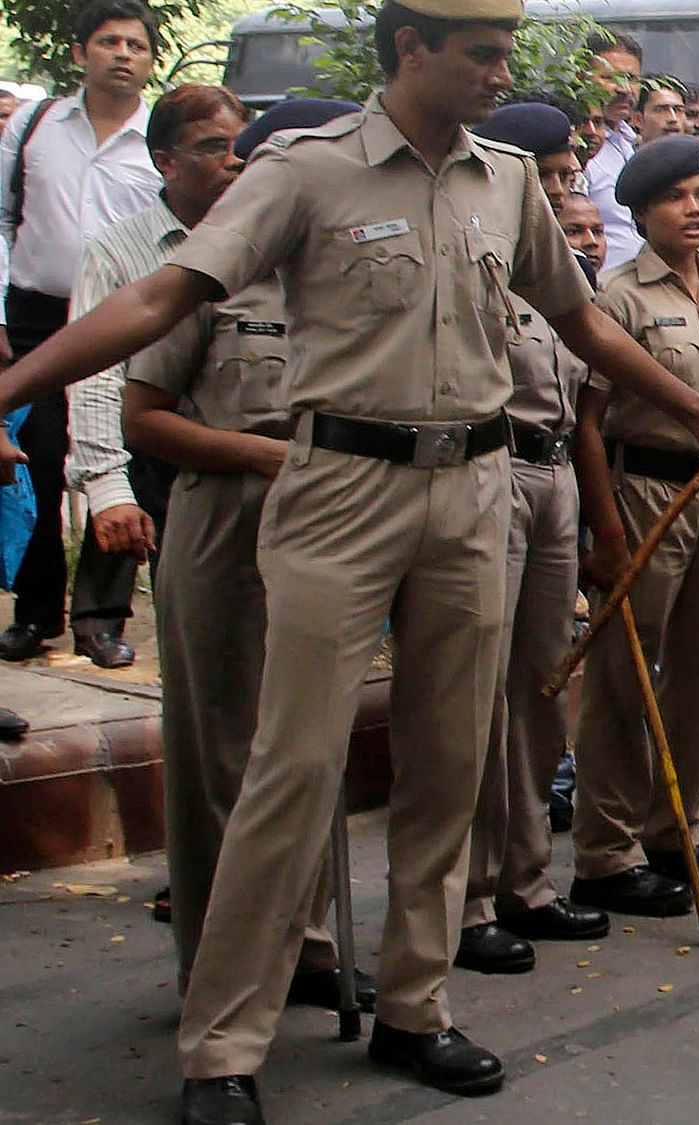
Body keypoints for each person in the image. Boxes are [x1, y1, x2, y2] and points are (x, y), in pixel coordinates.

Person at [0, 1, 699, 1117]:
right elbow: (167, 293)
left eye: (503, 55)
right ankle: (223, 1046)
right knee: (291, 765)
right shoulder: (307, 171)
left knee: (450, 757)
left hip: (473, 487)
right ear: (410, 50)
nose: (498, 76)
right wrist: (14, 386)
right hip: (336, 486)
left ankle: (416, 1005)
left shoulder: (504, 178)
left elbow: (580, 324)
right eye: (480, 56)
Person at [122, 92, 360, 1003]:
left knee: (307, 746)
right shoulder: (209, 277)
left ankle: (304, 945)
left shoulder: (346, 283)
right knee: (222, 750)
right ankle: (219, 967)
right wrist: (272, 453)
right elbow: (146, 420)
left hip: (329, 525)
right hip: (225, 523)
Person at [569, 134, 699, 918]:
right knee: (626, 673)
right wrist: (606, 527)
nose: (692, 209)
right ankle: (606, 849)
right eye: (673, 198)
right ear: (641, 212)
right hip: (647, 489)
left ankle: (674, 827)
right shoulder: (615, 296)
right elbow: (587, 422)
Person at [453, 101, 610, 978]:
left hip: (552, 480)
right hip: (491, 470)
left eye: (566, 178)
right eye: (544, 178)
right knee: (479, 689)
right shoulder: (481, 265)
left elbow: (584, 406)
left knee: (544, 683)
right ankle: (471, 896)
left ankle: (527, 880)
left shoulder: (567, 283)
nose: (555, 193)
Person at [66, 85, 254, 675]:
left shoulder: (269, 244)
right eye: (212, 146)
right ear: (165, 162)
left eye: (239, 145)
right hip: (152, 445)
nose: (233, 161)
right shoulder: (119, 252)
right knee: (186, 629)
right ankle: (98, 623)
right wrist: (106, 487)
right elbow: (96, 375)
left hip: (244, 457)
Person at [0, 0, 162, 666]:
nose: (123, 53)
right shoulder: (34, 127)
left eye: (136, 44)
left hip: (123, 318)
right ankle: (37, 612)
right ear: (79, 54)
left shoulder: (161, 137)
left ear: (151, 62)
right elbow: (2, 218)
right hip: (37, 316)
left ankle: (101, 617)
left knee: (116, 459)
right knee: (34, 462)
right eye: (108, 41)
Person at [582, 31, 643, 269]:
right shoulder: (579, 147)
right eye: (610, 77)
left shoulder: (631, 144)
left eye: (632, 78)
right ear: (582, 77)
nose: (624, 88)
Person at [636, 76, 685, 142]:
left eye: (678, 110)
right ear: (638, 120)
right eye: (661, 110)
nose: (673, 119)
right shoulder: (625, 151)